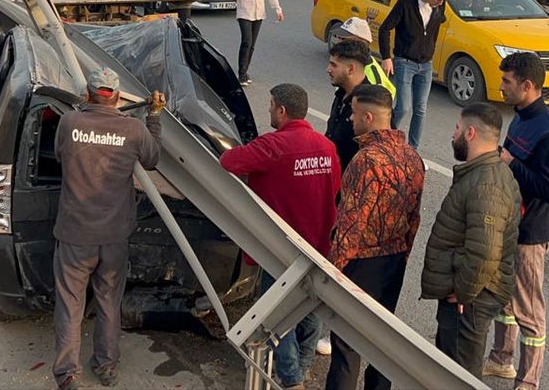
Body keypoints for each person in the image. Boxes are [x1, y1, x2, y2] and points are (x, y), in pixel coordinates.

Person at [52, 68, 166, 390]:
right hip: (114, 236)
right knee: (108, 303)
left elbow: (60, 155)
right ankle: (106, 367)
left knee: (70, 306)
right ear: (116, 97)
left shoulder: (70, 123)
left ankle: (67, 375)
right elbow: (153, 158)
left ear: (88, 94)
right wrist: (153, 116)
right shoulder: (132, 129)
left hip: (75, 235)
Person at [220, 84, 340, 390]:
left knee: (276, 314)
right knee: (310, 309)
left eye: (271, 105)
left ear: (282, 110)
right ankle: (303, 366)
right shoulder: (326, 147)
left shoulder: (273, 146)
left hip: (281, 249)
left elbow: (229, 162)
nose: (269, 110)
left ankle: (291, 379)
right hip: (319, 246)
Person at [325, 84, 425, 390]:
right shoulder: (412, 158)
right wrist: (402, 256)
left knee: (346, 346)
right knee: (382, 344)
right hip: (393, 262)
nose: (351, 121)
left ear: (369, 117)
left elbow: (351, 224)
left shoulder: (365, 160)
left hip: (360, 265)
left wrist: (333, 269)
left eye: (355, 115)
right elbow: (414, 219)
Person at [485, 53, 549, 390]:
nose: (502, 87)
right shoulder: (519, 117)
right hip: (508, 224)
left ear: (527, 85)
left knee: (529, 309)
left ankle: (528, 380)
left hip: (530, 234)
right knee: (505, 297)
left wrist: (510, 162)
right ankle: (501, 359)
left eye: (507, 82)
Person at [421, 102, 521, 379]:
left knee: (459, 374)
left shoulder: (486, 184)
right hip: (471, 294)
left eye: (457, 128)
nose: (453, 134)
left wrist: (465, 291)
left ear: (471, 133)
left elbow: (486, 249)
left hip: (470, 299)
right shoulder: (483, 173)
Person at [379, 0, 451, 149]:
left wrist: (431, 49)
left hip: (425, 65)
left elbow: (436, 26)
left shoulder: (440, 6)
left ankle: (413, 150)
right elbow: (385, 28)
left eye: (442, 1)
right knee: (403, 107)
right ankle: (385, 141)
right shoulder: (406, 4)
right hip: (404, 61)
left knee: (421, 109)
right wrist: (386, 57)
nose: (439, 4)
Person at [228, 0, 283, 85]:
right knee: (246, 41)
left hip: (258, 13)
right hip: (244, 12)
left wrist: (277, 9)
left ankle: (245, 72)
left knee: (252, 44)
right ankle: (241, 74)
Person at [324, 40, 373, 175]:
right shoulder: (341, 95)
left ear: (351, 69)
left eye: (334, 65)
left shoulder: (371, 104)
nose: (328, 69)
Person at [328, 17, 396, 98]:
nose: (339, 42)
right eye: (338, 37)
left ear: (359, 43)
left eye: (343, 39)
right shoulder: (345, 63)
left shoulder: (372, 76)